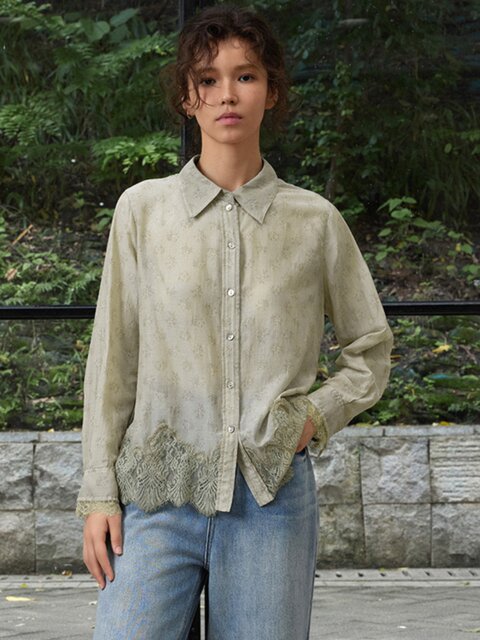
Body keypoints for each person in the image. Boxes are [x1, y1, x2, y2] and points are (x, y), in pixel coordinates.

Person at [76, 4, 393, 639]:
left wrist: (313, 417)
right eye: (208, 79)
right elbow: (113, 362)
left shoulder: (314, 222)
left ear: (270, 91)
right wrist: (99, 494)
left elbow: (371, 348)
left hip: (270, 502)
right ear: (187, 98)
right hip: (155, 499)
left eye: (245, 76)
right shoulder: (142, 212)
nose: (227, 94)